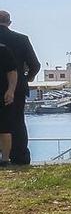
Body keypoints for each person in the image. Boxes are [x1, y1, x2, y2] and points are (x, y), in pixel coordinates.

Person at [0, 12, 38, 165]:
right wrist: (26, 78)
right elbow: (35, 65)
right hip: (16, 88)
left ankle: (3, 156)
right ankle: (20, 156)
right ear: (9, 22)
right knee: (17, 122)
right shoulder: (21, 39)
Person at [0, 38, 16, 165]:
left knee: (4, 129)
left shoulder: (3, 50)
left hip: (2, 95)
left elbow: (12, 72)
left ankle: (5, 159)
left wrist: (11, 90)